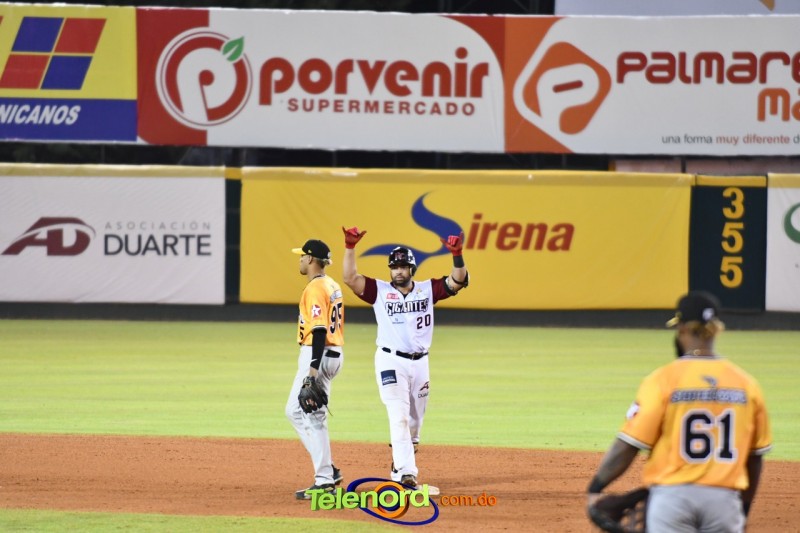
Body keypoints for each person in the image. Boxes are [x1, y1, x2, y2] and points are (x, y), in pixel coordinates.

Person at [586, 290, 772, 533]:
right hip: (724, 501)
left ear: (682, 328)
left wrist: (596, 487)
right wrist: (743, 509)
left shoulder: (663, 379)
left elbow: (628, 445)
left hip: (673, 500)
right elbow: (755, 457)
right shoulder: (746, 384)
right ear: (716, 330)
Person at [341, 226, 469, 490]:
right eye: (394, 267)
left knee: (414, 422)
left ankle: (401, 463)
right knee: (398, 414)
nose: (398, 271)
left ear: (412, 269)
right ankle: (407, 474)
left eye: (403, 266)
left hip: (420, 363)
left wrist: (457, 254)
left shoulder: (427, 289)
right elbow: (350, 278)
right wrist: (350, 247)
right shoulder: (378, 291)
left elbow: (458, 280)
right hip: (390, 361)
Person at [285, 239, 345, 500]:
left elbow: (319, 330)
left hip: (317, 354)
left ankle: (324, 480)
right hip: (332, 353)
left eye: (302, 256)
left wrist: (312, 371)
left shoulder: (315, 288)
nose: (299, 260)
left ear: (310, 259)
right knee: (294, 411)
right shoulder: (331, 284)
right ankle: (328, 469)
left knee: (313, 415)